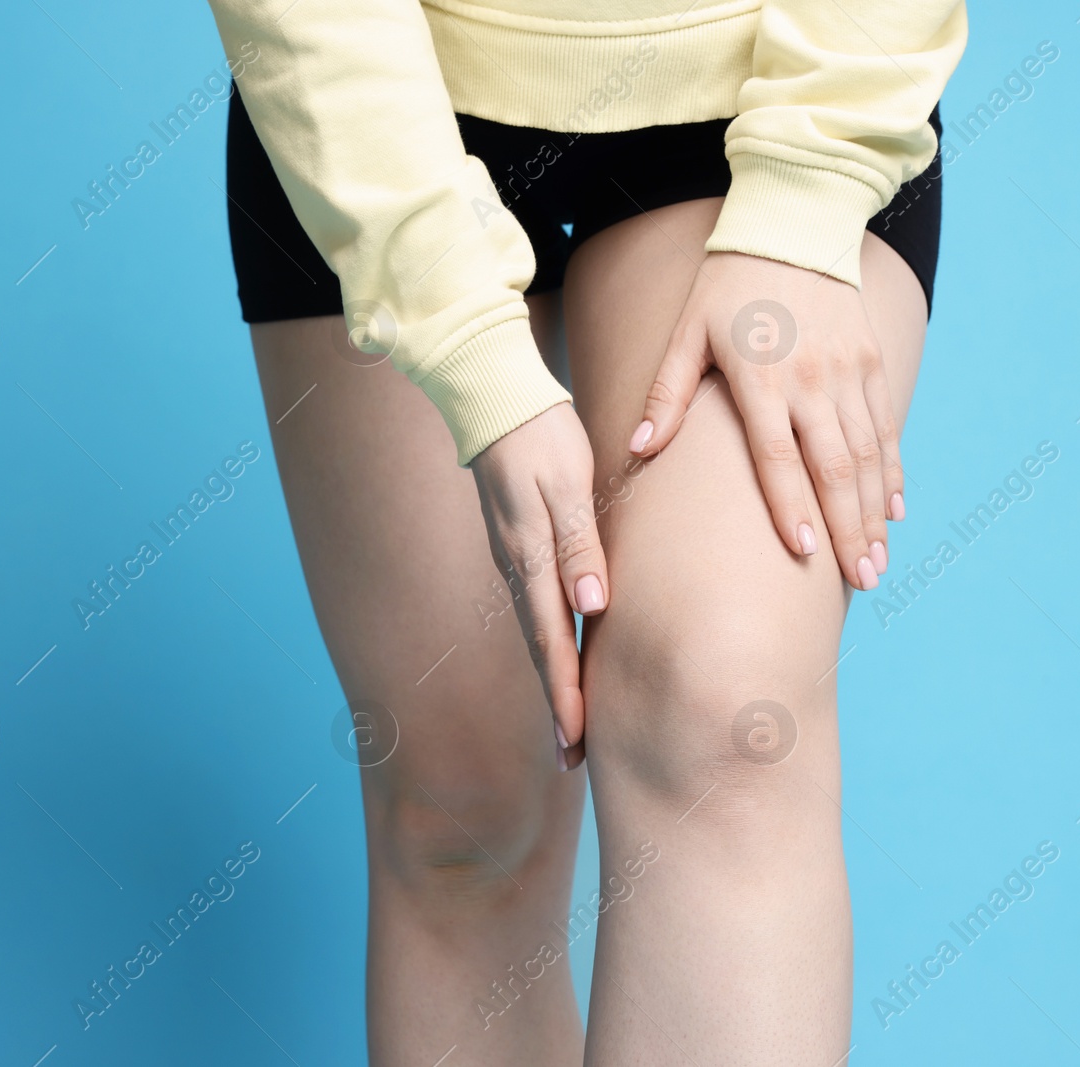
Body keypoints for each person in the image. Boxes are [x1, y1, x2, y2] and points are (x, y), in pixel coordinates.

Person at [208, 0, 965, 1061]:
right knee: (458, 817)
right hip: (376, 100)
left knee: (717, 717)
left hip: (758, 84)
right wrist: (468, 351)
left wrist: (809, 188)